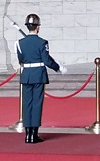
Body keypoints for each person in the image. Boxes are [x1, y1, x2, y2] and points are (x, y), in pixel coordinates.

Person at [16, 13, 67, 143]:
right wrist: (58, 68)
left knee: (27, 104)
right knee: (36, 104)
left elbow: (21, 60)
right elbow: (47, 61)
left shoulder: (19, 43)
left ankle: (28, 135)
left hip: (26, 75)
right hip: (38, 75)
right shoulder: (42, 42)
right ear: (38, 27)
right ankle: (34, 134)